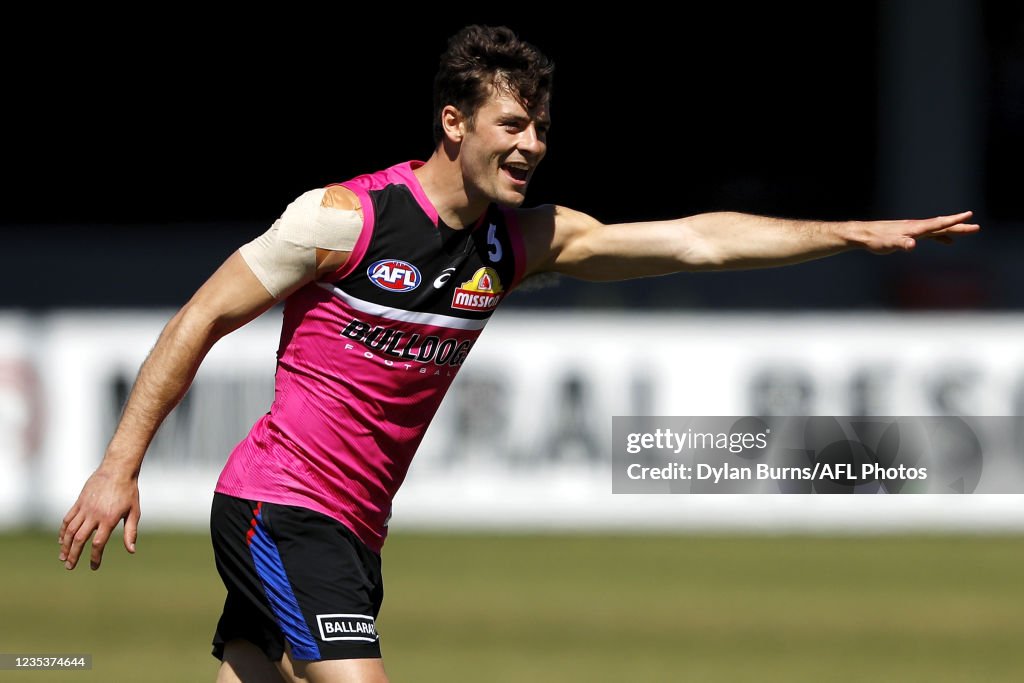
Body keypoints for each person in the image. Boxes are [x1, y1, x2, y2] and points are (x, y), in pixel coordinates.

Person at [57, 24, 979, 683]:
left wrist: (852, 232)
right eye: (512, 125)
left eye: (541, 126)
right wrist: (116, 467)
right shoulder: (342, 219)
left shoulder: (519, 243)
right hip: (280, 506)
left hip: (355, 531)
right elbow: (200, 318)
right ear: (454, 124)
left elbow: (697, 239)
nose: (533, 143)